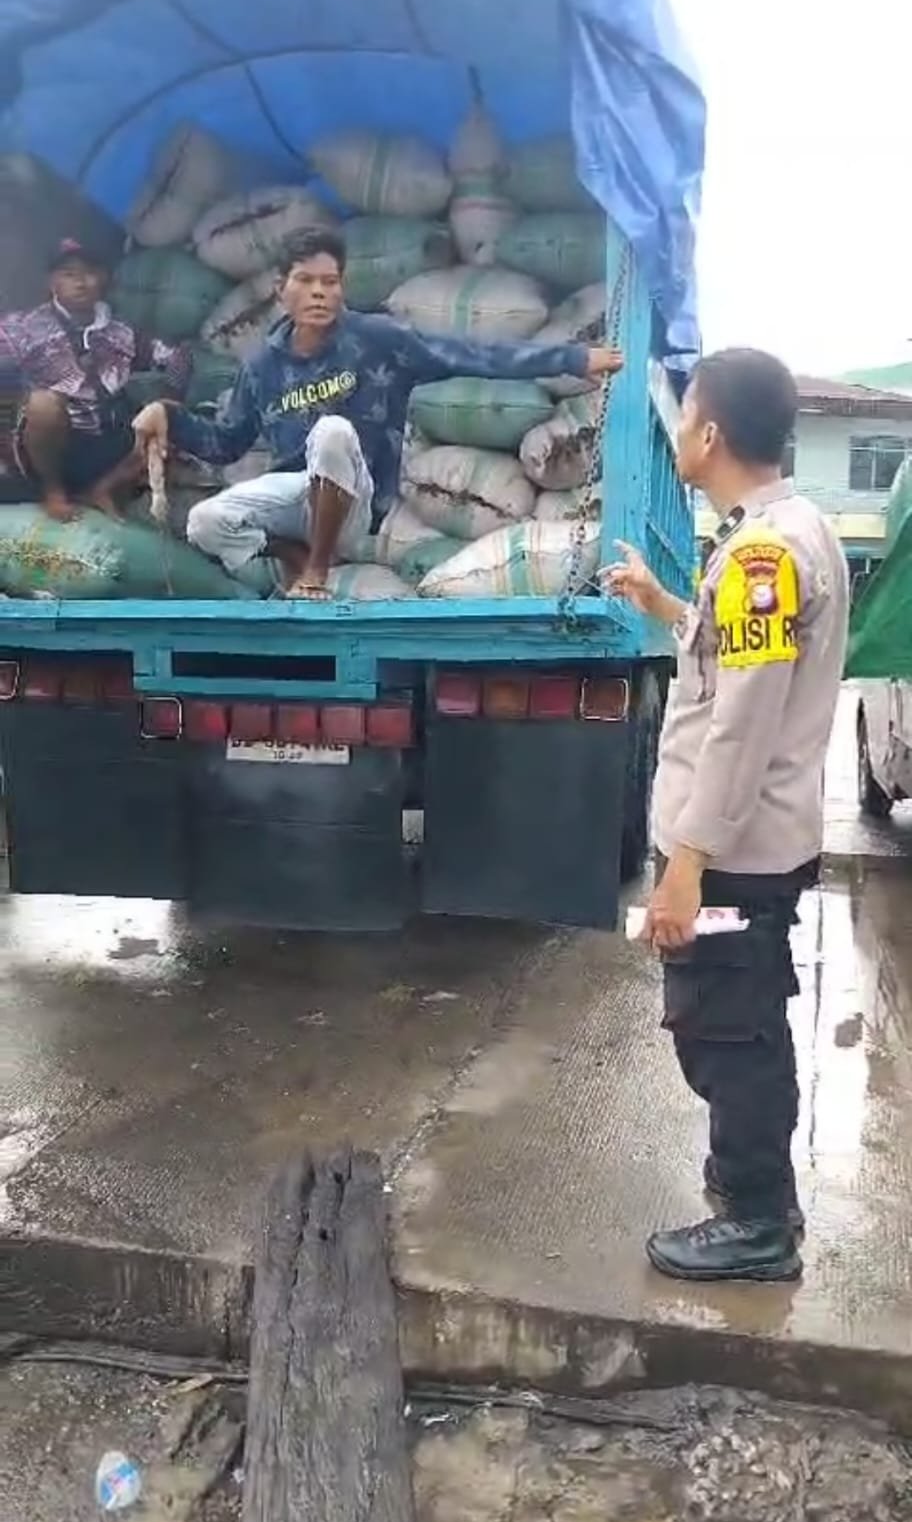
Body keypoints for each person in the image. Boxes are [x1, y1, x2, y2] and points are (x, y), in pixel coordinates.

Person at [604, 347, 849, 1283]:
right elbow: (731, 660)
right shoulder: (780, 534)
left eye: (685, 415)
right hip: (752, 842)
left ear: (709, 434)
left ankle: (757, 1225)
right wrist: (664, 602)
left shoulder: (762, 556)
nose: (678, 431)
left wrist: (686, 863)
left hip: (736, 850)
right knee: (739, 1021)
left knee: (728, 1033)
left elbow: (741, 726)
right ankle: (750, 1194)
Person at [133, 226, 624, 598]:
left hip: (356, 497)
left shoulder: (375, 339)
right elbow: (226, 443)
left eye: (330, 282)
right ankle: (294, 554)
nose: (319, 292)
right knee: (203, 521)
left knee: (331, 432)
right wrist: (168, 416)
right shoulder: (261, 365)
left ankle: (317, 571)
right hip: (295, 497)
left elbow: (472, 355)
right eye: (306, 281)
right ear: (281, 289)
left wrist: (572, 359)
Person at [0, 238, 190, 520]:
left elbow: (178, 356)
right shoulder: (22, 328)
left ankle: (104, 489)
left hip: (111, 444)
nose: (80, 283)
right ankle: (54, 491)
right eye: (69, 274)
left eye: (89, 273)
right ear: (52, 282)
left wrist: (167, 401)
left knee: (169, 422)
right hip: (55, 447)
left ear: (102, 278)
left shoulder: (122, 331)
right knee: (44, 405)